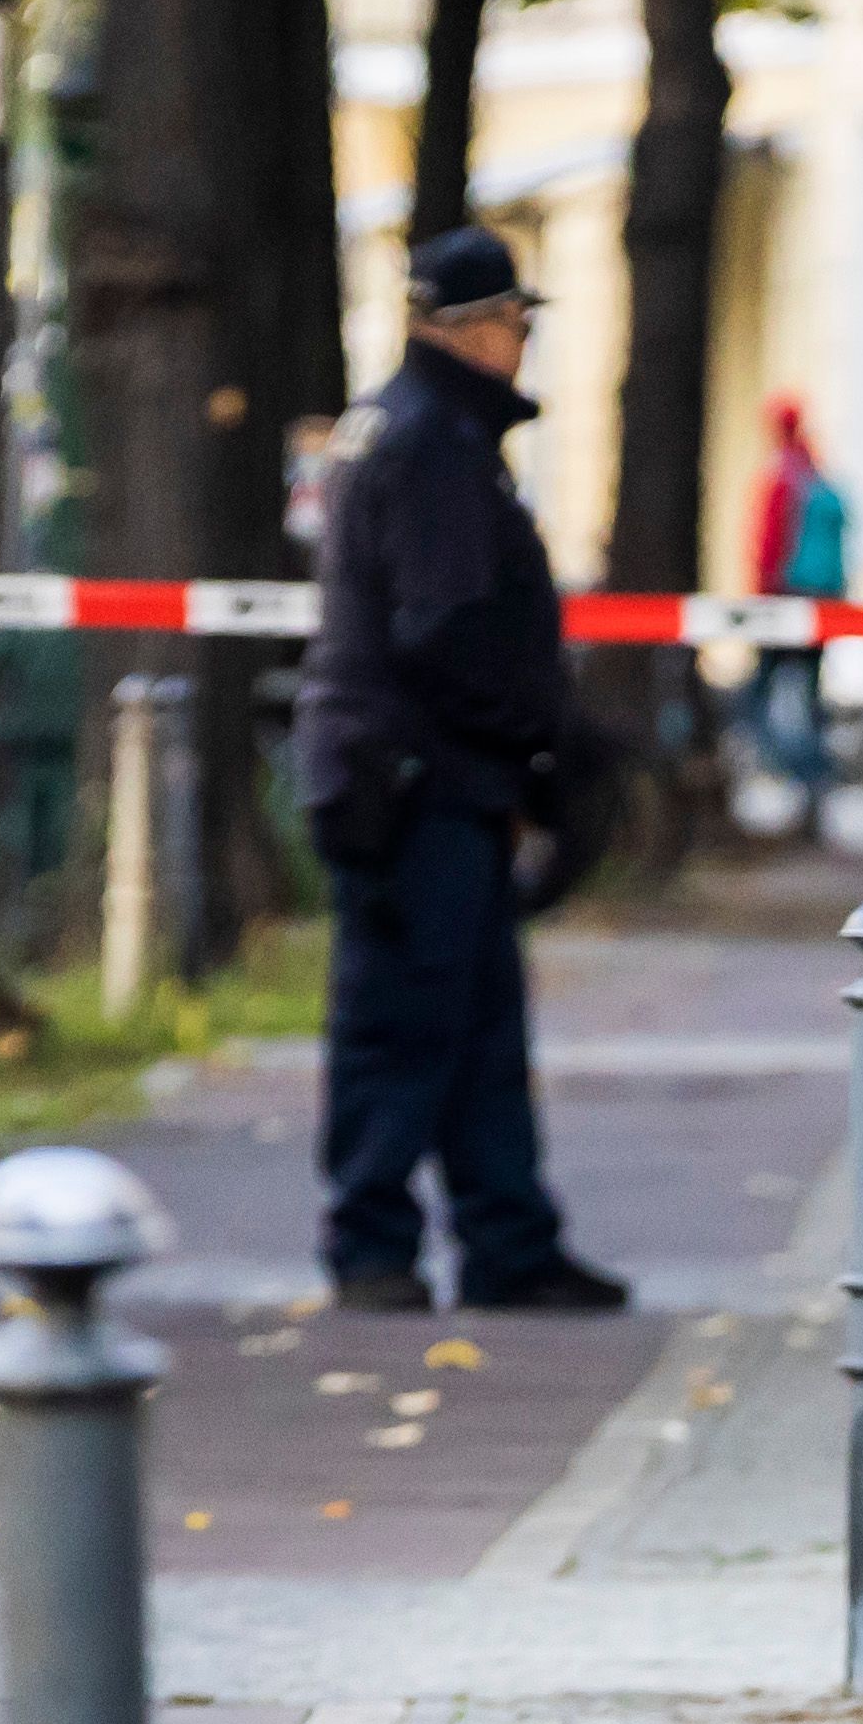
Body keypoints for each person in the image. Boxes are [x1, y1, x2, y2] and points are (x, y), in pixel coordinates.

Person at [293, 226, 628, 1318]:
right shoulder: (431, 442)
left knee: (479, 1026)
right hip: (416, 783)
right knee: (405, 1022)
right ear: (476, 330)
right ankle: (376, 1247)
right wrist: (540, 734)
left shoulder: (411, 428)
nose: (522, 345)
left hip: (423, 776)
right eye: (516, 325)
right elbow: (444, 629)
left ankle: (508, 1242)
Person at [744, 396, 847, 800]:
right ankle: (815, 779)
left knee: (757, 697)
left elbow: (770, 545)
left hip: (784, 599)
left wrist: (760, 596)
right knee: (807, 694)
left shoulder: (783, 477)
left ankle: (804, 770)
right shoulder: (815, 471)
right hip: (823, 600)